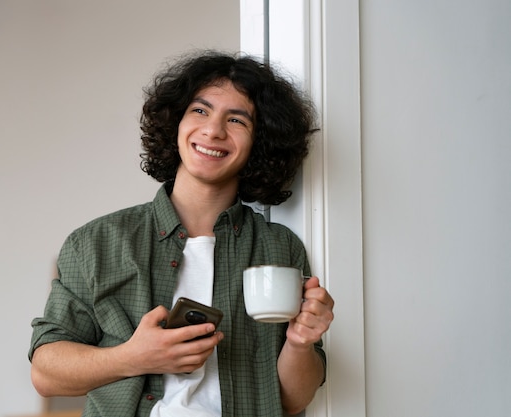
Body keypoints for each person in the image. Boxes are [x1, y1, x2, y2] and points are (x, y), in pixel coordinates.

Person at [29, 50, 335, 417]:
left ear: (261, 142)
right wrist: (134, 357)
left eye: (237, 119)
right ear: (176, 121)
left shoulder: (279, 247)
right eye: (200, 110)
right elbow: (45, 372)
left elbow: (292, 400)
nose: (213, 130)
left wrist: (301, 342)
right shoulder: (96, 242)